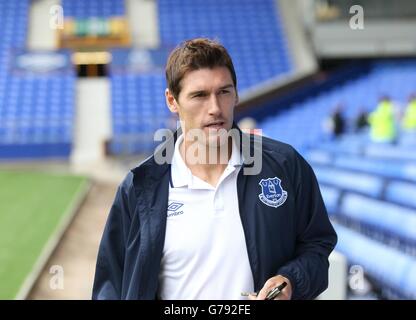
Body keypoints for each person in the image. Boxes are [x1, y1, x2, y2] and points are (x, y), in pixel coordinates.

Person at [92, 38, 337, 300]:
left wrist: (289, 281)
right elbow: (111, 286)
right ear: (172, 101)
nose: (215, 108)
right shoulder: (140, 187)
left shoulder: (285, 166)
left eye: (224, 92)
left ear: (236, 93)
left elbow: (317, 248)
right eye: (199, 95)